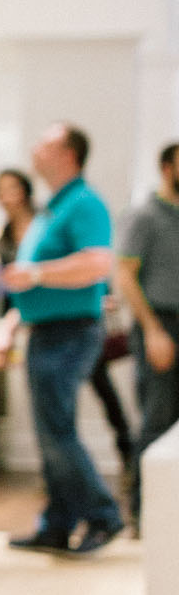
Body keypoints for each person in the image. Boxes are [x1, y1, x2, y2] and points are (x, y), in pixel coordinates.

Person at [0, 122, 122, 554]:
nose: (34, 149)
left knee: (58, 432)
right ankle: (58, 523)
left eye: (44, 143)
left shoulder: (84, 203)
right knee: (51, 433)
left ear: (68, 154)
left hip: (69, 333)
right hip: (46, 331)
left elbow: (99, 262)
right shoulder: (53, 208)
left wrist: (38, 273)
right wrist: (11, 322)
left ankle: (103, 516)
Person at [119, 140, 179, 474]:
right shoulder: (144, 216)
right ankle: (143, 517)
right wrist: (154, 331)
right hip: (160, 326)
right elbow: (125, 276)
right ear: (167, 169)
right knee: (158, 421)